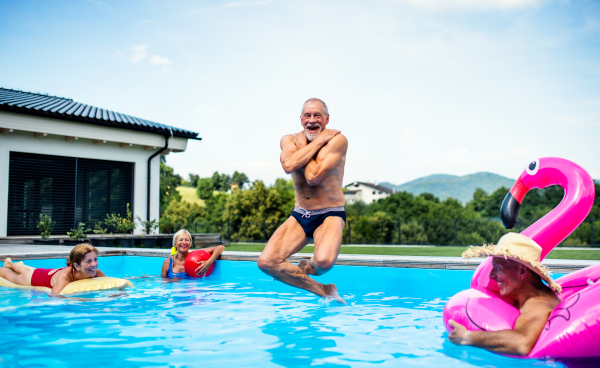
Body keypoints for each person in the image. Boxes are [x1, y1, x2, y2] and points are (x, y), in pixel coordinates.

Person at [257, 98, 348, 303]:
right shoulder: (288, 140)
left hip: (330, 212)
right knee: (267, 262)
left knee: (323, 263)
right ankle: (325, 290)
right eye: (307, 115)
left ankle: (306, 267)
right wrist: (318, 141)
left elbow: (313, 176)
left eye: (317, 115)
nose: (312, 120)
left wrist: (303, 149)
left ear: (326, 119)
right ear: (301, 119)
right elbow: (288, 165)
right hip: (301, 213)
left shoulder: (337, 140)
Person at [448, 233, 562, 356]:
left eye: (497, 267)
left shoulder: (538, 305)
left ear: (522, 270)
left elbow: (522, 344)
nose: (491, 275)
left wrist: (466, 337)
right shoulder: (524, 297)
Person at [0, 243, 107, 294]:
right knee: (12, 277)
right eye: (89, 261)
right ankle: (6, 267)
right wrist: (78, 300)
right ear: (76, 266)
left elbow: (115, 284)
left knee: (28, 270)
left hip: (48, 272)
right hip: (35, 277)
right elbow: (54, 296)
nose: (94, 264)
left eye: (95, 259)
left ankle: (11, 264)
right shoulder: (65, 276)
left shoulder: (96, 272)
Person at [161, 229, 225, 278]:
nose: (184, 242)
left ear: (190, 243)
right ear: (175, 244)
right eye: (180, 240)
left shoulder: (195, 256)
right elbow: (164, 281)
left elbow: (220, 247)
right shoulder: (168, 262)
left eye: (187, 240)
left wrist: (208, 263)